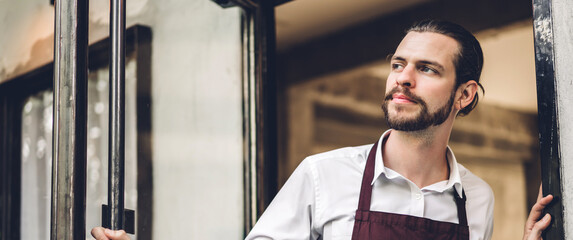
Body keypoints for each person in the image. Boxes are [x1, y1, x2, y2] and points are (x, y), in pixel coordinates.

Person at [91, 20, 553, 240]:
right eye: (398, 64)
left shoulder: (477, 198)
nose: (403, 79)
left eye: (427, 69)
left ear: (465, 95)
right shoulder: (323, 174)